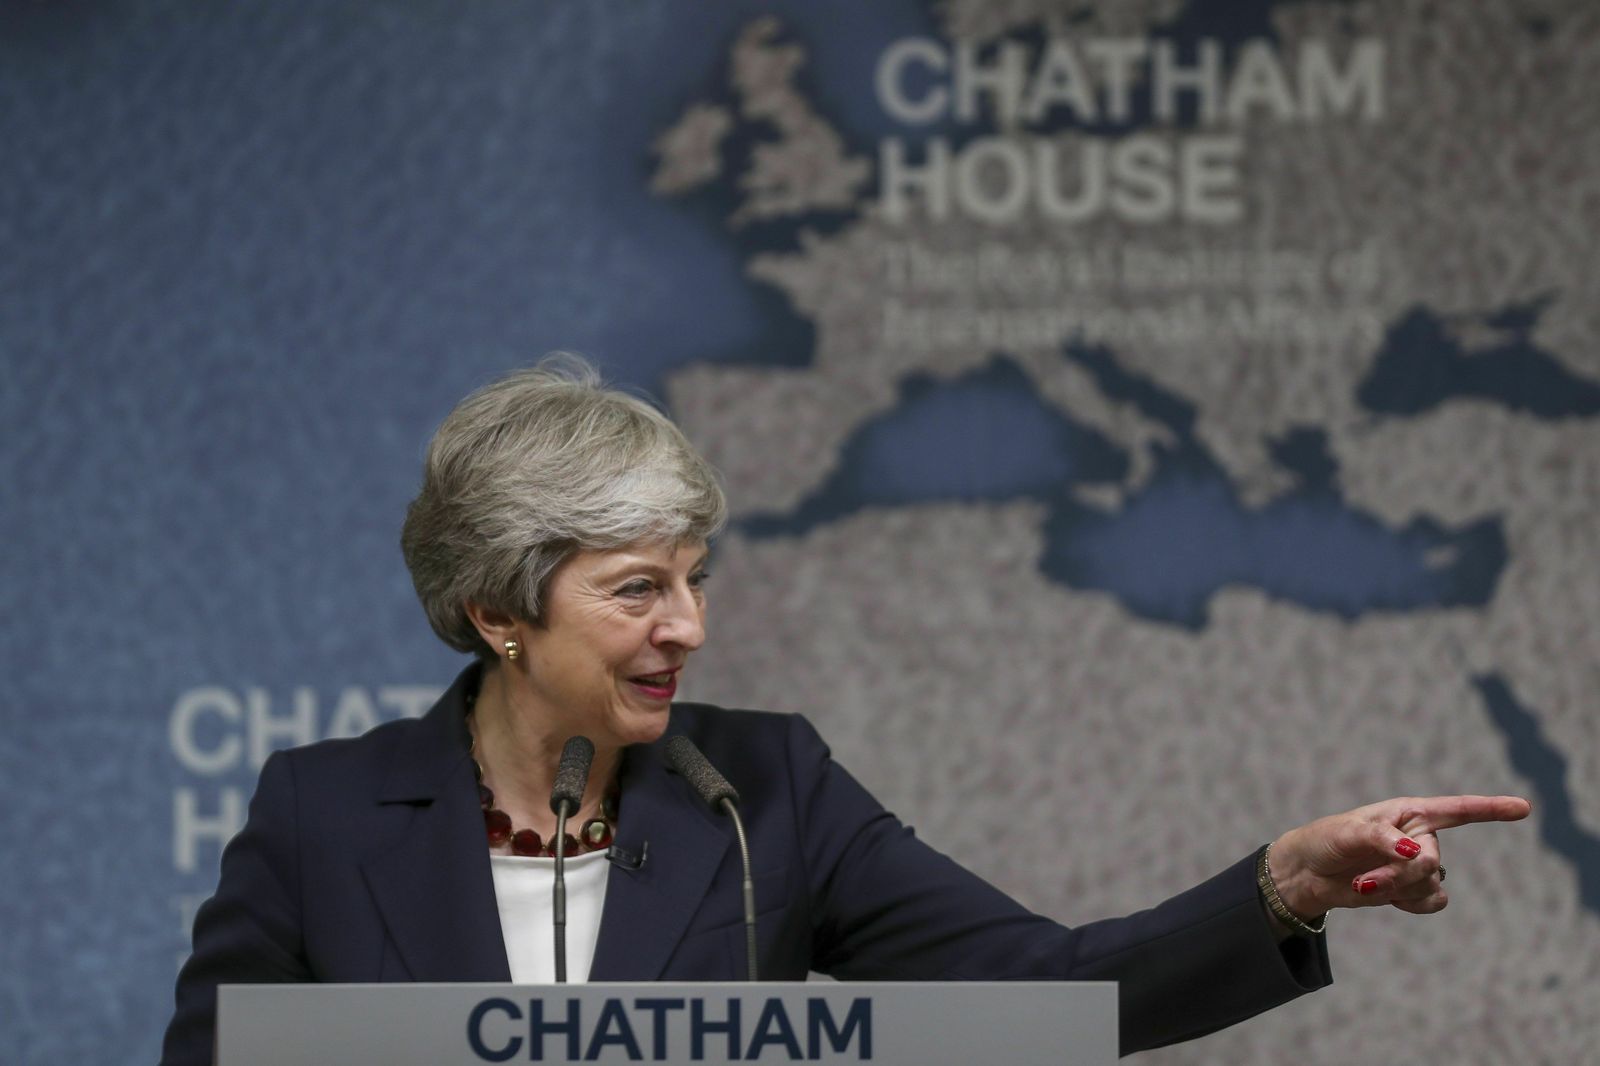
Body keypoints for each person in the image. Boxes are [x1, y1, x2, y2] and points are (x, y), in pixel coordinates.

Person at [161, 356, 1531, 1063]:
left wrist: (1281, 887)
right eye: (638, 588)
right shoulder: (323, 812)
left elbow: (1046, 999)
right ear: (498, 611)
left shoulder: (769, 788)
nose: (688, 625)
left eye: (696, 579)